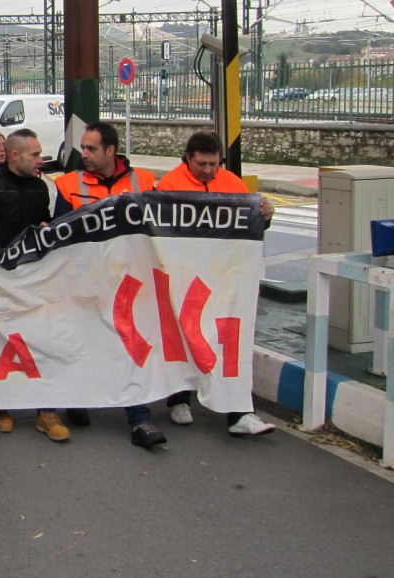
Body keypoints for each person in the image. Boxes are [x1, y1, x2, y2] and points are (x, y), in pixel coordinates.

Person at [156, 130, 276, 437]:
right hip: (184, 278)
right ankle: (179, 398)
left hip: (221, 280)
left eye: (214, 164)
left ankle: (240, 413)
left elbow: (251, 228)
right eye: (202, 164)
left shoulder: (232, 184)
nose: (209, 170)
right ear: (188, 158)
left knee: (227, 342)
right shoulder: (169, 185)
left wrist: (265, 215)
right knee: (184, 338)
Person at [53, 122, 164, 447]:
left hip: (127, 282)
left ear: (111, 151)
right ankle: (77, 400)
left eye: (90, 149)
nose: (83, 154)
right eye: (83, 148)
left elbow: (162, 225)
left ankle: (140, 420)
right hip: (84, 280)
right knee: (80, 343)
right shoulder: (68, 183)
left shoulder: (143, 182)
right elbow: (61, 229)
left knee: (131, 347)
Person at [0, 128, 74, 444]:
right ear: (15, 156)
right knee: (0, 343)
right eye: (35, 154)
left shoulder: (44, 188)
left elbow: (56, 225)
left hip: (38, 280)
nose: (41, 159)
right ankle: (0, 405)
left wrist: (48, 229)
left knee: (41, 342)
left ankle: (46, 411)